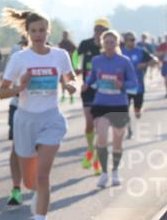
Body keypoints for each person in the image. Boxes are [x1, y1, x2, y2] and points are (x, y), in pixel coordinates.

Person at [0, 8, 76, 220]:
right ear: (27, 32)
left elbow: (72, 77)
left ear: (48, 31)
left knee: (43, 176)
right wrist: (21, 87)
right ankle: (34, 195)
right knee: (31, 181)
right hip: (25, 120)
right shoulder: (20, 59)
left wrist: (71, 85)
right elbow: (2, 92)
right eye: (34, 31)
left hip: (51, 118)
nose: (39, 34)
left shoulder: (60, 55)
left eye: (42, 30)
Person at [83, 30, 139, 188]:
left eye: (112, 42)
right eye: (106, 42)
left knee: (117, 142)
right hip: (101, 104)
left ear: (117, 43)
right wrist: (87, 83)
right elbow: (92, 77)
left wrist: (123, 85)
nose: (109, 45)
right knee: (101, 139)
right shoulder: (96, 60)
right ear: (102, 43)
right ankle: (104, 173)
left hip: (119, 105)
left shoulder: (124, 61)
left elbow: (133, 82)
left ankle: (115, 172)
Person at [76, 18, 110, 174]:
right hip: (88, 88)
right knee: (89, 123)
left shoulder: (109, 48)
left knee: (100, 126)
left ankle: (97, 158)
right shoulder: (86, 43)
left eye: (102, 30)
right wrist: (75, 67)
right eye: (97, 29)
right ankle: (90, 149)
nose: (99, 32)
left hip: (105, 91)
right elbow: (76, 55)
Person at [120, 31, 158, 137]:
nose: (131, 42)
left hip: (138, 86)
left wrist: (144, 64)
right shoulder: (121, 53)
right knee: (125, 109)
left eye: (133, 40)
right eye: (129, 40)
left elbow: (155, 60)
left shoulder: (141, 51)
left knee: (137, 112)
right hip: (125, 86)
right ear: (125, 41)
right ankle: (129, 129)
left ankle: (138, 110)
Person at [58, 30, 77, 104]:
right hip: (61, 65)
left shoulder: (70, 43)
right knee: (62, 81)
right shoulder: (61, 43)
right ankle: (63, 95)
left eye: (66, 35)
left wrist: (71, 56)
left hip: (69, 64)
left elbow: (75, 51)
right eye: (64, 35)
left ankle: (71, 96)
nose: (64, 36)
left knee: (69, 80)